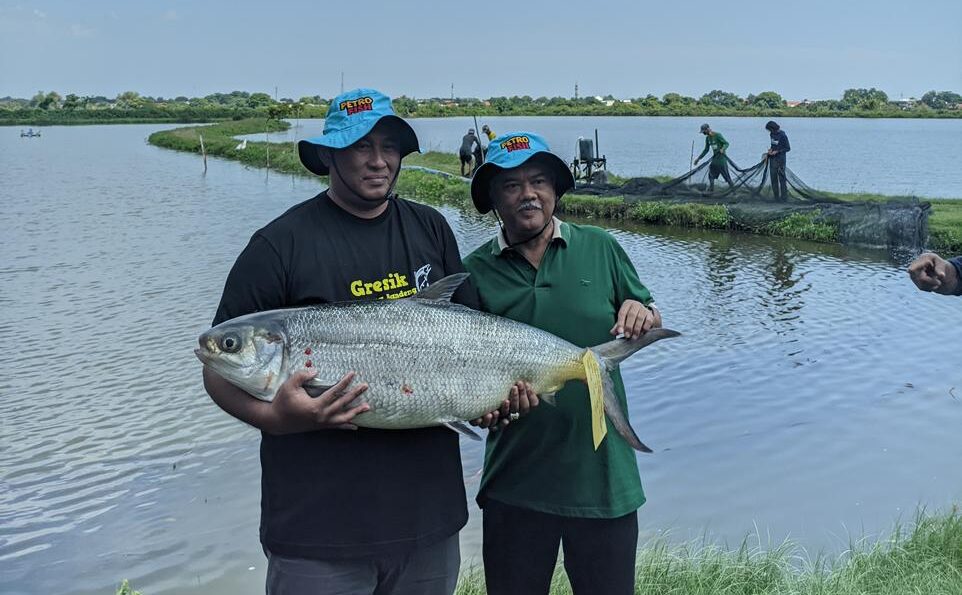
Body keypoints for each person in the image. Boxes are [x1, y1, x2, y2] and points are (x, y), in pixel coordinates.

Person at [202, 88, 527, 595]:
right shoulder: (278, 245)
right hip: (316, 531)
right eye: (361, 146)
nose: (378, 161)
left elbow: (470, 341)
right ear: (329, 155)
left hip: (428, 521)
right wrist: (277, 418)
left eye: (389, 147)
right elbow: (216, 366)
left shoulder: (430, 227)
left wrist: (492, 401)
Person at [463, 131, 664, 595]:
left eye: (539, 181)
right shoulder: (472, 272)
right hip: (515, 482)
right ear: (492, 200)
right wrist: (490, 408)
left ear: (555, 190)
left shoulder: (600, 246)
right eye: (511, 185)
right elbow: (469, 382)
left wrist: (643, 312)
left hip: (603, 482)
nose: (528, 194)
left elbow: (648, 314)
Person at [693, 123, 733, 194]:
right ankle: (711, 190)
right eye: (703, 132)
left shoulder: (717, 135)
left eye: (704, 131)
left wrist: (723, 149)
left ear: (708, 129)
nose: (704, 133)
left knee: (727, 177)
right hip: (715, 160)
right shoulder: (708, 138)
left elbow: (726, 143)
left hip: (722, 160)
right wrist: (698, 159)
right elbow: (706, 150)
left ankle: (733, 191)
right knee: (711, 175)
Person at [765, 120, 791, 201]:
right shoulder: (772, 134)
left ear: (774, 128)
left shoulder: (783, 136)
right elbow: (773, 145)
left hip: (780, 160)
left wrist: (777, 151)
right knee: (773, 178)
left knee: (782, 178)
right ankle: (776, 197)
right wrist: (770, 150)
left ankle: (784, 197)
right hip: (772, 159)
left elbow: (788, 148)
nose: (770, 131)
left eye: (770, 129)